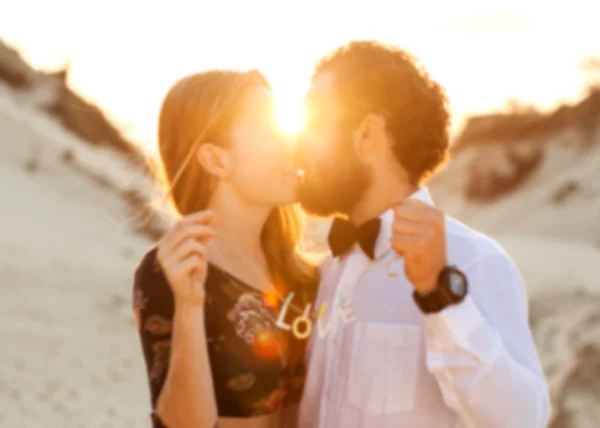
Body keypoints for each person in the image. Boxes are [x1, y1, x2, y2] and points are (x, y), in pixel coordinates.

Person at [295, 41, 551, 428]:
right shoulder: (330, 270)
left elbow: (522, 419)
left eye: (314, 123)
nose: (299, 145)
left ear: (366, 133)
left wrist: (440, 295)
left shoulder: (473, 260)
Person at [132, 69, 317, 428]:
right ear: (217, 160)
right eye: (269, 132)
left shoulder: (302, 273)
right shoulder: (171, 269)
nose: (292, 143)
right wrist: (189, 306)